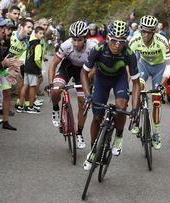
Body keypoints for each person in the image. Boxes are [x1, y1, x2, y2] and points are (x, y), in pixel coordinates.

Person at [80, 20, 140, 170]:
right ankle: (93, 150)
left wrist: (135, 108)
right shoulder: (98, 49)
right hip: (101, 80)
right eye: (114, 41)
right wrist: (87, 96)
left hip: (119, 80)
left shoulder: (129, 54)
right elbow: (84, 72)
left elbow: (136, 83)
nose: (117, 45)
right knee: (97, 116)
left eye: (121, 42)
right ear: (108, 39)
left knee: (120, 107)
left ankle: (119, 137)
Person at [47, 21, 97, 149]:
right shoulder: (66, 45)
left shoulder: (93, 47)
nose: (76, 43)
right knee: (56, 90)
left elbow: (96, 68)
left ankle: (79, 132)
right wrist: (51, 84)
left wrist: (84, 79)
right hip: (68, 68)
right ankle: (55, 108)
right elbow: (53, 64)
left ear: (85, 38)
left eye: (79, 40)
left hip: (85, 72)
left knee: (83, 103)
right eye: (74, 40)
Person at [128, 15, 170, 150]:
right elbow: (129, 64)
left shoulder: (162, 41)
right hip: (144, 66)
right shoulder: (134, 40)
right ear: (140, 29)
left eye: (149, 32)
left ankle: (156, 133)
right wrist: (126, 82)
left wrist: (161, 84)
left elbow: (169, 65)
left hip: (159, 68)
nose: (146, 34)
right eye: (143, 31)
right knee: (138, 87)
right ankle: (135, 118)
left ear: (154, 32)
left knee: (156, 102)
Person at [2, 18, 33, 130]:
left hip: (8, 69)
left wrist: (15, 69)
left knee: (7, 93)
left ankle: (5, 122)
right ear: (21, 27)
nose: (30, 30)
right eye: (28, 27)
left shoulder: (26, 44)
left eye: (31, 28)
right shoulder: (12, 34)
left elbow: (20, 60)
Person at [18, 26, 44, 113]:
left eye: (43, 33)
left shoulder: (30, 43)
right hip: (33, 68)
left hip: (26, 67)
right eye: (40, 33)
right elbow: (37, 59)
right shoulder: (38, 45)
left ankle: (20, 105)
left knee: (25, 85)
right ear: (35, 34)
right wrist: (40, 68)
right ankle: (30, 106)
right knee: (33, 87)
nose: (42, 35)